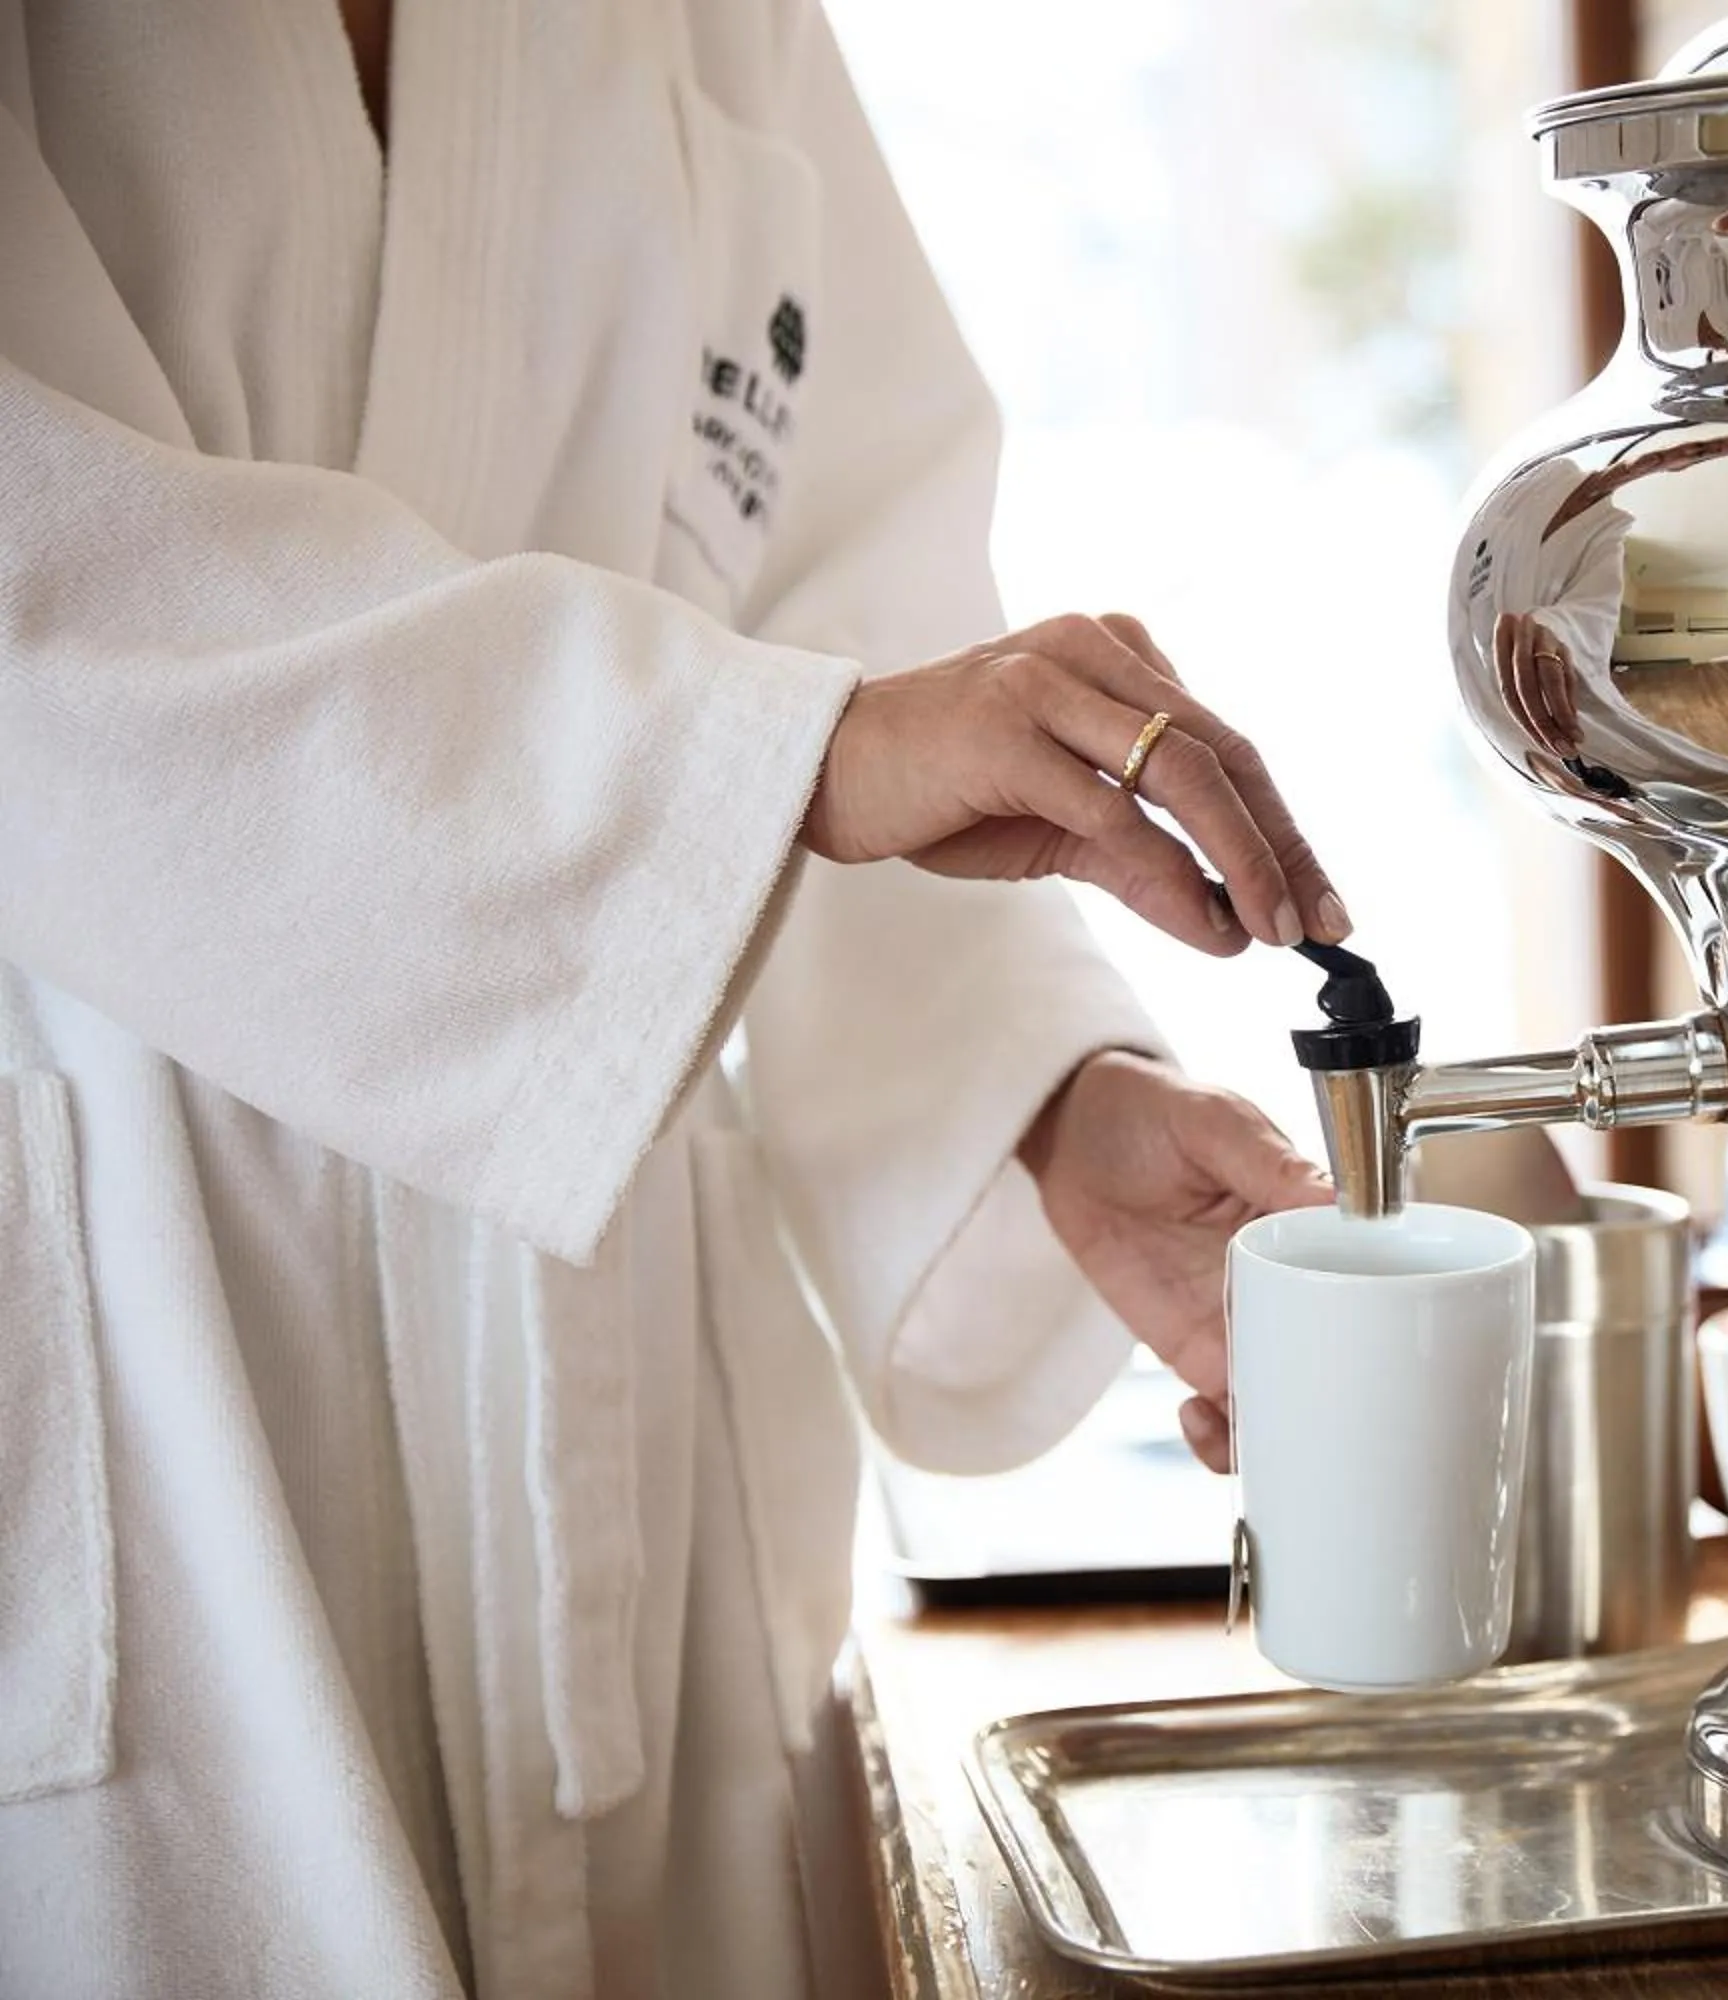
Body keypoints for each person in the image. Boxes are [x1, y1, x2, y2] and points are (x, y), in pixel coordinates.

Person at [0, 3, 1342, 1994]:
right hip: (141, 1295)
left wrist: (1050, 1097)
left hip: (612, 1355)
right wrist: (771, 760)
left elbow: (850, 603)